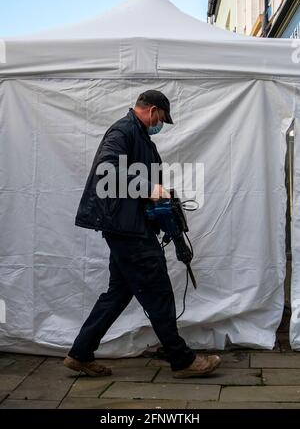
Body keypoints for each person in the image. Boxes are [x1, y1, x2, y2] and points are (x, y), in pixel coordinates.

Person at [64, 90, 221, 378]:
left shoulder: (139, 136)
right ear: (152, 110)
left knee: (118, 294)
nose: (161, 123)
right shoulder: (123, 130)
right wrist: (148, 188)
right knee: (158, 289)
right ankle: (182, 360)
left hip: (129, 225)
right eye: (162, 117)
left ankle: (80, 353)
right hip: (127, 229)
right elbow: (106, 170)